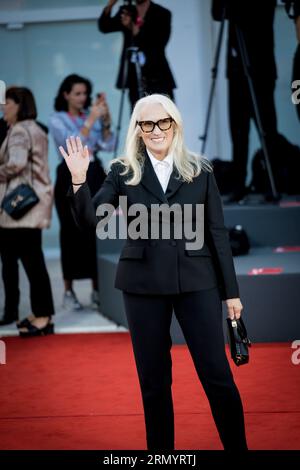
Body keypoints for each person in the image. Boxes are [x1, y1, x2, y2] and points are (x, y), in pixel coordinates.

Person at [60, 94, 248, 451]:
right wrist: (79, 180)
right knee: (154, 382)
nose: (156, 130)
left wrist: (232, 292)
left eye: (163, 122)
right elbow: (91, 221)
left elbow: (217, 234)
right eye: (147, 123)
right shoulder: (121, 171)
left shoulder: (200, 169)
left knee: (217, 375)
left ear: (174, 124)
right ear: (138, 129)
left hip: (197, 282)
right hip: (142, 286)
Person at [49, 74, 115, 311]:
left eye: (85, 93)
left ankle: (98, 289)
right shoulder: (57, 119)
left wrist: (105, 120)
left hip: (95, 171)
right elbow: (69, 145)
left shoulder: (92, 115)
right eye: (77, 93)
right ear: (65, 94)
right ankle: (68, 291)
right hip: (69, 172)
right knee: (70, 230)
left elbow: (108, 144)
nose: (82, 98)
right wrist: (91, 122)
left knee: (97, 228)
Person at [0, 87, 55, 337]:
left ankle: (43, 317)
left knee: (32, 263)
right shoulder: (36, 128)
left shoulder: (20, 130)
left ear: (19, 105)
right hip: (33, 203)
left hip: (23, 206)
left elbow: (16, 163)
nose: (3, 107)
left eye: (7, 103)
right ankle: (39, 313)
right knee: (33, 261)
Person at [212, 0, 279, 203]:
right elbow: (217, 12)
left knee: (266, 128)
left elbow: (252, 13)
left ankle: (272, 181)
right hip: (236, 70)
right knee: (238, 130)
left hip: (260, 68)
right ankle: (238, 184)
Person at [98, 0, 176, 108]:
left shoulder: (162, 13)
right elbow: (105, 27)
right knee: (138, 116)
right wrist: (110, 5)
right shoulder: (128, 11)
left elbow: (159, 45)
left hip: (157, 75)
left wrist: (133, 28)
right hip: (134, 75)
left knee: (164, 114)